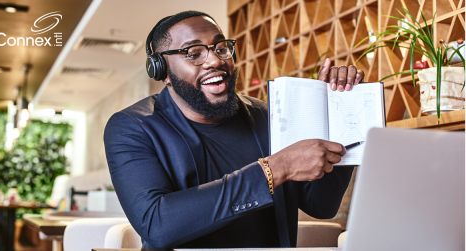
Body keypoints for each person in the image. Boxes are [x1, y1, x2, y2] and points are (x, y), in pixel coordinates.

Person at [104, 10, 364, 250]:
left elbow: (322, 206)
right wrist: (275, 169)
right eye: (194, 53)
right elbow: (157, 225)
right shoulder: (132, 128)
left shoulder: (269, 117)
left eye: (221, 48)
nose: (215, 60)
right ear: (162, 70)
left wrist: (335, 117)